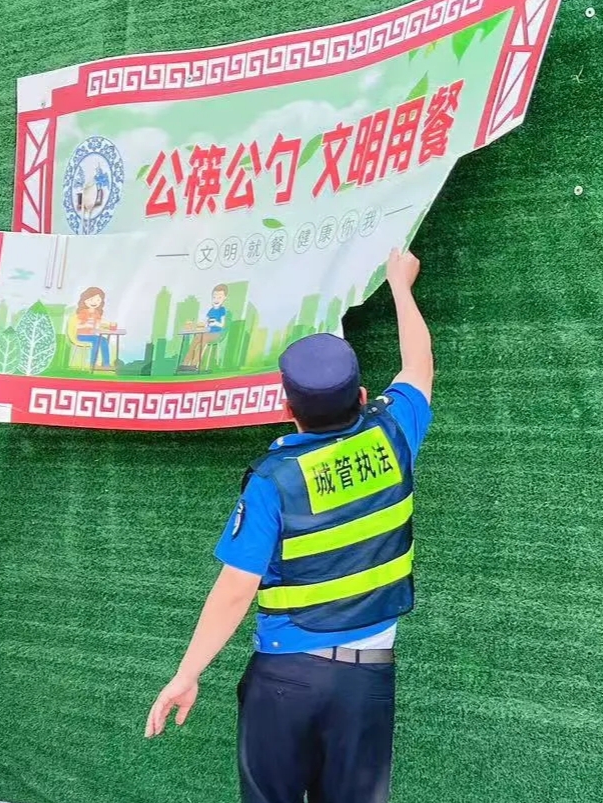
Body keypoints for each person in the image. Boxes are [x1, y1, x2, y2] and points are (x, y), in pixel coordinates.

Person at [145, 248, 434, 803]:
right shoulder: (394, 433)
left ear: (287, 407)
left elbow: (236, 590)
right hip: (368, 681)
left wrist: (187, 673)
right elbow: (418, 366)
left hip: (286, 679)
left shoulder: (273, 481)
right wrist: (401, 284)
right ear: (363, 397)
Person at [183, 283, 229, 369]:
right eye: (214, 297)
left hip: (217, 333)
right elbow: (205, 321)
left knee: (203, 338)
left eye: (219, 297)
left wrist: (215, 323)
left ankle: (194, 364)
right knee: (196, 338)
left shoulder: (222, 310)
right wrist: (197, 324)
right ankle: (185, 363)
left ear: (224, 298)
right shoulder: (211, 310)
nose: (216, 300)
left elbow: (222, 324)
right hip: (208, 332)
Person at [75, 286, 113, 368]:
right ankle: (93, 363)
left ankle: (106, 363)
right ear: (85, 300)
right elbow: (79, 324)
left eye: (98, 300)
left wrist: (108, 325)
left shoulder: (96, 312)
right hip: (82, 336)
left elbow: (100, 322)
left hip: (92, 335)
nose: (94, 302)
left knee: (104, 340)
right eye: (91, 300)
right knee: (96, 341)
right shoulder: (83, 312)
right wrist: (88, 326)